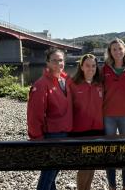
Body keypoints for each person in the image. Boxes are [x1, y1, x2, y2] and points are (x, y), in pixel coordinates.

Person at [26, 48, 73, 190]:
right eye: (54, 60)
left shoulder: (64, 80)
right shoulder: (41, 84)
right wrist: (37, 139)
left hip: (64, 132)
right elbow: (34, 115)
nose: (58, 63)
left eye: (61, 60)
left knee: (53, 171)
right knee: (49, 172)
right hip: (52, 135)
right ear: (47, 63)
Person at [102, 38, 125, 190]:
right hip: (108, 115)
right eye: (114, 49)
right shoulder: (104, 69)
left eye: (120, 48)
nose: (117, 52)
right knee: (109, 151)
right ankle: (111, 185)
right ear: (110, 52)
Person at [69, 54, 104, 190]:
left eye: (93, 65)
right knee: (84, 165)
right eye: (87, 65)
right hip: (80, 131)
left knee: (93, 163)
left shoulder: (100, 84)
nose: (91, 68)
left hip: (98, 129)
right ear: (81, 67)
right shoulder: (73, 84)